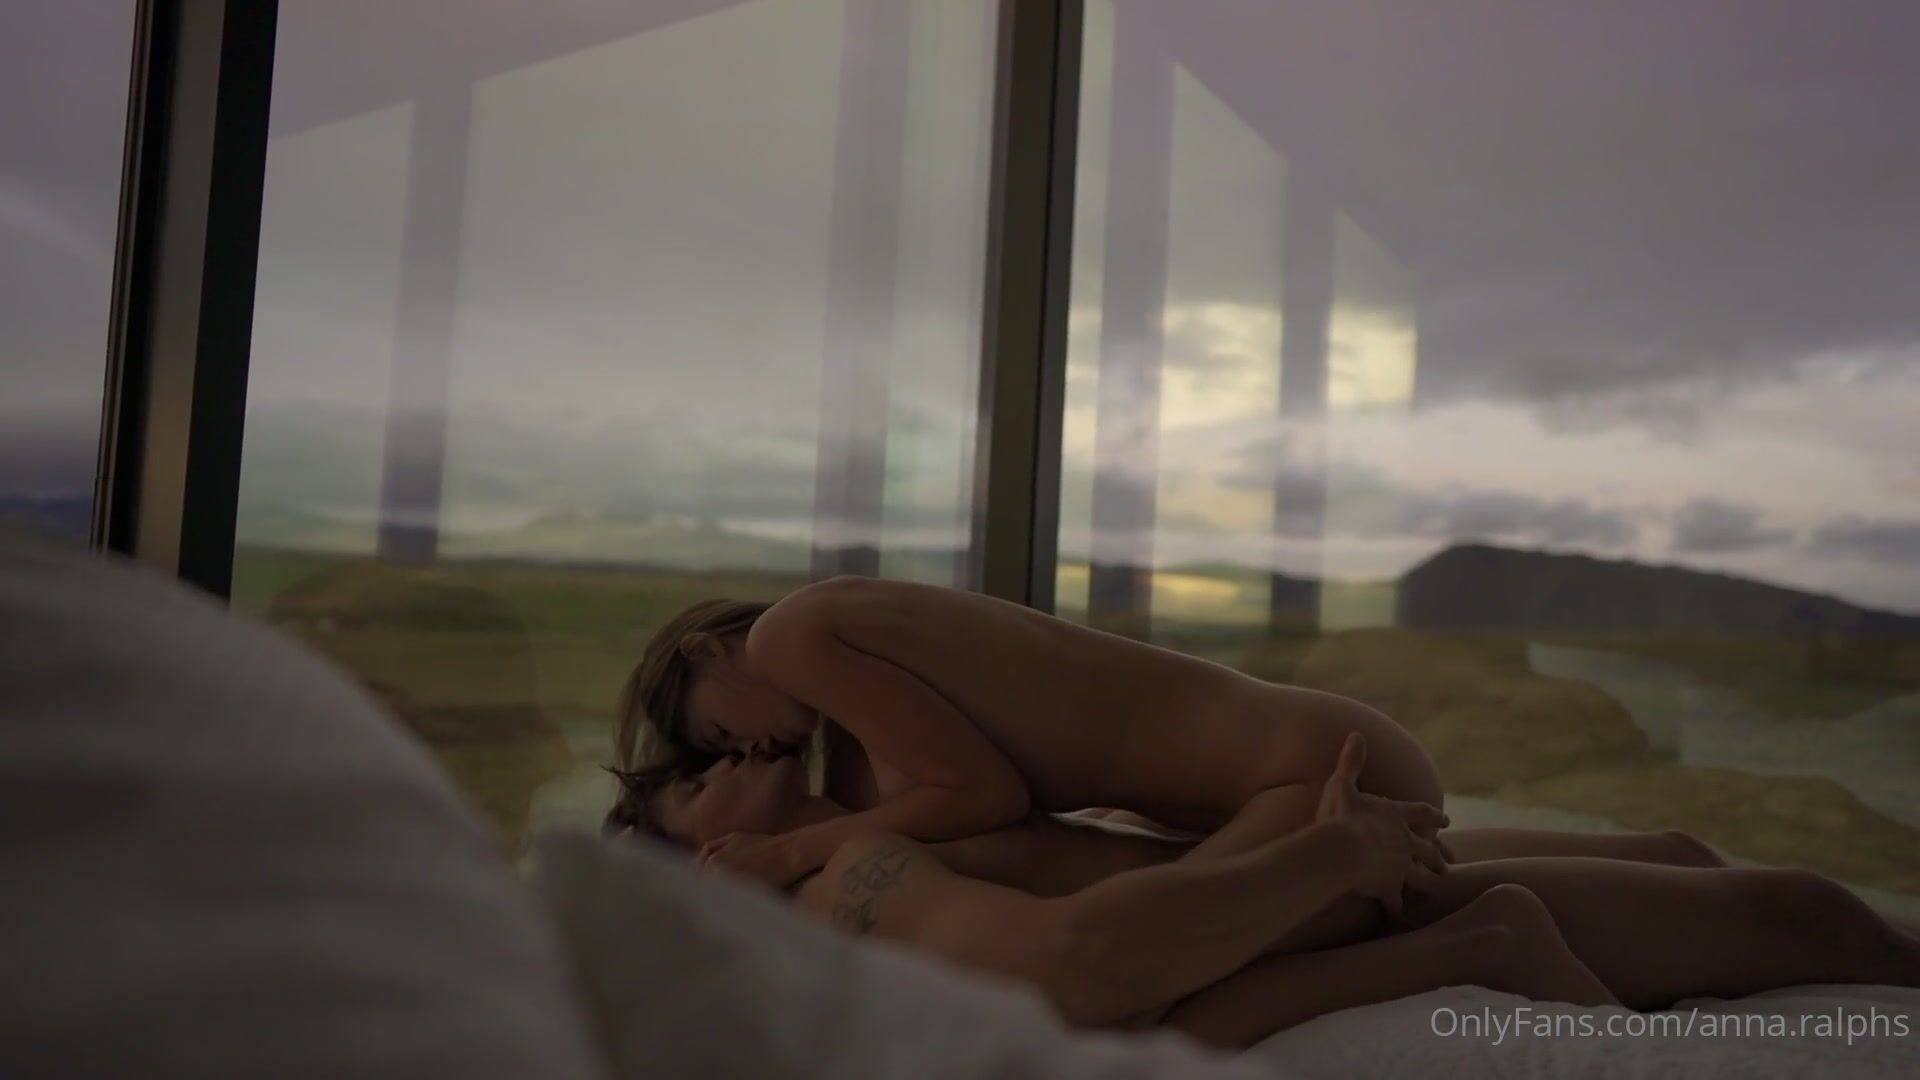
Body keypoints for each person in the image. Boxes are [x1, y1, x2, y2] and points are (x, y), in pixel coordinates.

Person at [606, 735, 1920, 1050]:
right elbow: (1084, 977)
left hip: (1303, 886)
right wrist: (1336, 869)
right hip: (1316, 901)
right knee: (1798, 914)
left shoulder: (882, 821)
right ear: (706, 861)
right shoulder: (855, 878)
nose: (731, 760)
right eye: (698, 783)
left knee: (1685, 853)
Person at [612, 581, 1719, 884]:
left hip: (1305, 770)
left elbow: (983, 798)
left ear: (710, 651)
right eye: (723, 762)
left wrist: (789, 853)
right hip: (1304, 759)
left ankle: (1680, 896)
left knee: (1200, 942)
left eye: (721, 732)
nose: (750, 753)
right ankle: (1666, 862)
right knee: (1421, 870)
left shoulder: (796, 636)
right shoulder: (850, 677)